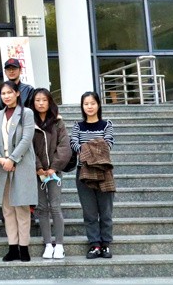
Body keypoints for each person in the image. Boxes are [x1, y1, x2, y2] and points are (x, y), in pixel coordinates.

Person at [0, 81, 37, 262]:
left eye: (9, 92)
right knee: (7, 209)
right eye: (3, 93)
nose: (6, 96)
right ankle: (12, 247)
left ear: (17, 93)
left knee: (22, 207)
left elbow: (27, 138)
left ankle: (24, 247)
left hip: (21, 164)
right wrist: (0, 158)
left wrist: (12, 159)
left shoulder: (27, 113)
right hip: (2, 166)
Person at [70, 91, 116, 260]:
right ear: (82, 106)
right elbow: (74, 144)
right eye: (86, 104)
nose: (89, 107)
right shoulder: (77, 126)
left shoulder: (106, 125)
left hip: (104, 172)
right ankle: (94, 244)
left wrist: (86, 149)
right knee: (89, 212)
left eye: (92, 103)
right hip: (84, 173)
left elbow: (108, 145)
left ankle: (106, 244)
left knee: (106, 211)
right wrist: (96, 146)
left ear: (98, 105)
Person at [32, 87, 71, 260]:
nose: (41, 103)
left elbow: (64, 146)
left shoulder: (58, 122)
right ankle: (48, 244)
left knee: (55, 207)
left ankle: (59, 245)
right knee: (41, 208)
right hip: (37, 172)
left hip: (54, 172)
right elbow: (28, 147)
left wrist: (54, 167)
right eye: (37, 100)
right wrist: (38, 167)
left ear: (50, 102)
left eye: (44, 100)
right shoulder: (29, 121)